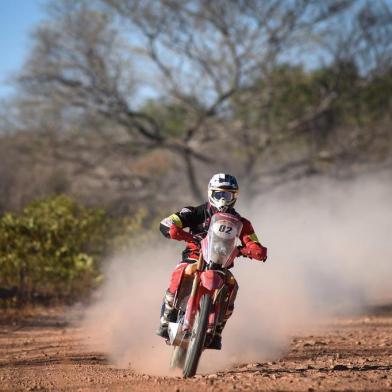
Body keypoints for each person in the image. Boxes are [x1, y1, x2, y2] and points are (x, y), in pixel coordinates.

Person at [156, 173, 267, 349]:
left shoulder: (242, 222)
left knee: (232, 285)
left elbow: (252, 240)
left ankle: (217, 330)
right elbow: (169, 222)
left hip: (221, 263)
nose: (223, 200)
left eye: (228, 195)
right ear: (210, 194)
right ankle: (167, 315)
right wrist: (175, 230)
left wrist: (254, 249)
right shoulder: (194, 211)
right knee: (183, 270)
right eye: (219, 195)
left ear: (234, 197)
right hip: (195, 256)